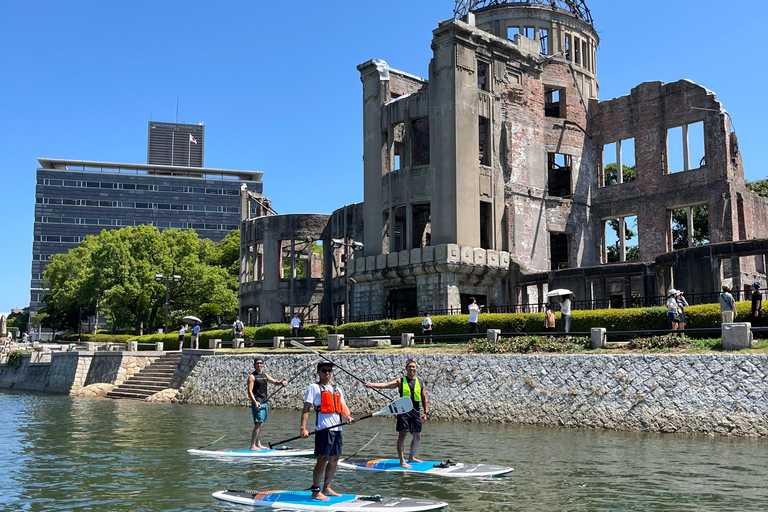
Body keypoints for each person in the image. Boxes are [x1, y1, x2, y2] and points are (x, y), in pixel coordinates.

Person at [300, 361, 354, 501]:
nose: (327, 373)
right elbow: (306, 409)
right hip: (323, 429)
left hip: (337, 429)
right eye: (324, 370)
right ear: (318, 372)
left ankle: (327, 487)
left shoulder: (337, 389)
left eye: (329, 370)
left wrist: (348, 416)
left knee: (335, 458)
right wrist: (303, 428)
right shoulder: (314, 387)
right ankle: (315, 491)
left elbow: (343, 406)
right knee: (322, 459)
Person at [365, 358, 429, 468]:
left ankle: (411, 457)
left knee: (417, 436)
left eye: (413, 366)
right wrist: (371, 385)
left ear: (417, 369)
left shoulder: (421, 382)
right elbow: (386, 385)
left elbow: (424, 398)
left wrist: (426, 412)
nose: (412, 368)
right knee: (402, 435)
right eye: (410, 366)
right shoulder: (400, 381)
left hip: (415, 412)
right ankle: (402, 461)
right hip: (403, 412)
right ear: (406, 368)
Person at [247, 357, 288, 451]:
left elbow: (275, 382)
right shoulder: (252, 376)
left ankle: (258, 443)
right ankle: (252, 445)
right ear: (254, 365)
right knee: (258, 423)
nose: (258, 365)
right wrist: (255, 402)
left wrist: (282, 382)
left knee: (261, 424)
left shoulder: (265, 375)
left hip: (265, 402)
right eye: (257, 363)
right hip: (258, 402)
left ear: (263, 364)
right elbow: (250, 391)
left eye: (260, 363)